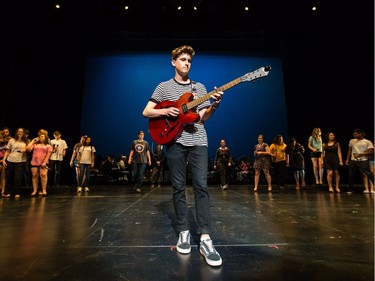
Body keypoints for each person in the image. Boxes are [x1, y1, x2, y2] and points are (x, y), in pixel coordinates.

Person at [142, 45, 223, 266]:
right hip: (175, 142)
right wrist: (165, 111)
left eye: (189, 60)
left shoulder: (200, 87)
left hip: (198, 141)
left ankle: (205, 237)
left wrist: (214, 105)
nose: (187, 63)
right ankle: (184, 231)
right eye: (183, 59)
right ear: (174, 62)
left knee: (201, 186)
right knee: (178, 187)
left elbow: (203, 118)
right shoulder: (164, 87)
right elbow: (146, 111)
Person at [345, 128, 374, 194]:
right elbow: (349, 150)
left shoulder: (367, 142)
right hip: (353, 160)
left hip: (363, 160)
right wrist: (347, 159)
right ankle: (350, 189)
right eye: (353, 134)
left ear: (360, 134)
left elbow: (371, 151)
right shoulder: (352, 141)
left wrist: (360, 154)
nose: (354, 136)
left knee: (369, 174)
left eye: (355, 134)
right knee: (350, 175)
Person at [2, 128, 29, 198]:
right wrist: (4, 160)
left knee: (18, 178)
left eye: (22, 132)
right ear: (17, 132)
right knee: (9, 177)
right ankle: (8, 192)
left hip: (20, 161)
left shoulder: (25, 141)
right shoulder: (11, 140)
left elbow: (29, 149)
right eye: (19, 131)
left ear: (23, 133)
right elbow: (7, 151)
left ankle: (17, 192)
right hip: (10, 160)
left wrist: (25, 149)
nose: (20, 133)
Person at [26, 129, 52, 196]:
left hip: (43, 162)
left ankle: (44, 190)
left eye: (42, 136)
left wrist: (44, 162)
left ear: (45, 137)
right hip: (34, 162)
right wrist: (32, 141)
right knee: (34, 176)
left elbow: (48, 155)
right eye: (40, 136)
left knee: (43, 175)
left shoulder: (48, 146)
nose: (40, 137)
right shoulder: (35, 144)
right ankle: (35, 190)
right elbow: (28, 149)